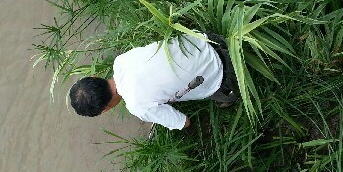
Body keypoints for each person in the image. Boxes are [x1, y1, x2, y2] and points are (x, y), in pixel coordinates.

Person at [68, 33, 238, 130]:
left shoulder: (137, 106)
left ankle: (233, 92)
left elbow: (184, 122)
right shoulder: (121, 61)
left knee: (223, 97)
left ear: (105, 109)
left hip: (222, 74)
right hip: (208, 39)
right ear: (94, 77)